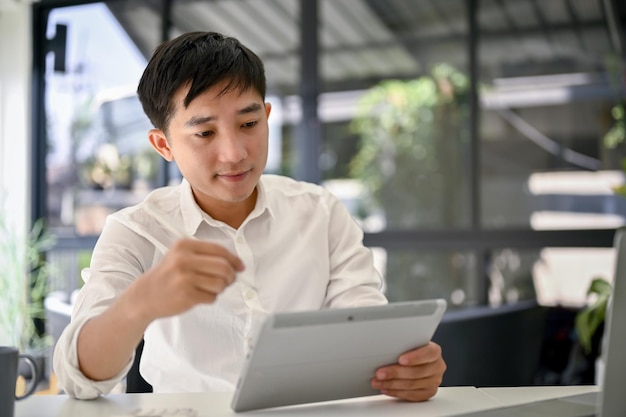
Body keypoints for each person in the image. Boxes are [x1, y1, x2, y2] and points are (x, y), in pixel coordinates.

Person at [53, 31, 446, 401]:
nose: (235, 153)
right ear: (163, 144)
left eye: (249, 124)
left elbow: (367, 332)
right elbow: (77, 378)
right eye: (205, 133)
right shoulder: (136, 231)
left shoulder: (320, 213)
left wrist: (406, 371)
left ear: (267, 115)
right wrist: (141, 304)